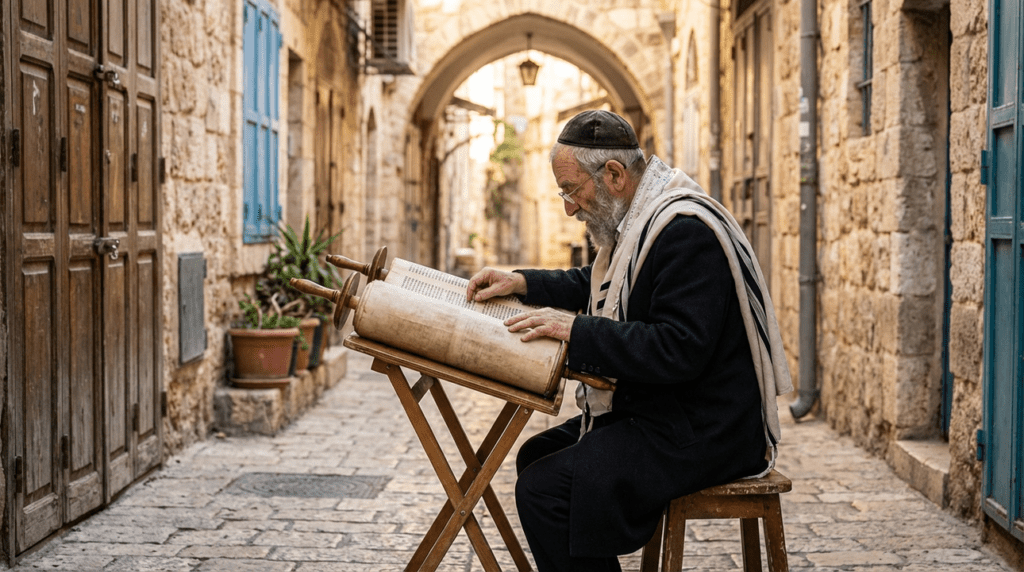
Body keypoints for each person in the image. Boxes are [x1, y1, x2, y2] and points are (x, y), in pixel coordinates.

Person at [466, 110, 793, 571]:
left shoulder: (684, 230)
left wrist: (577, 332)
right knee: (537, 456)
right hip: (669, 409)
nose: (569, 207)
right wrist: (522, 282)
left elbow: (678, 347)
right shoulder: (641, 220)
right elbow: (602, 285)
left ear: (614, 175)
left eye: (572, 190)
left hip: (706, 428)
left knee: (546, 489)